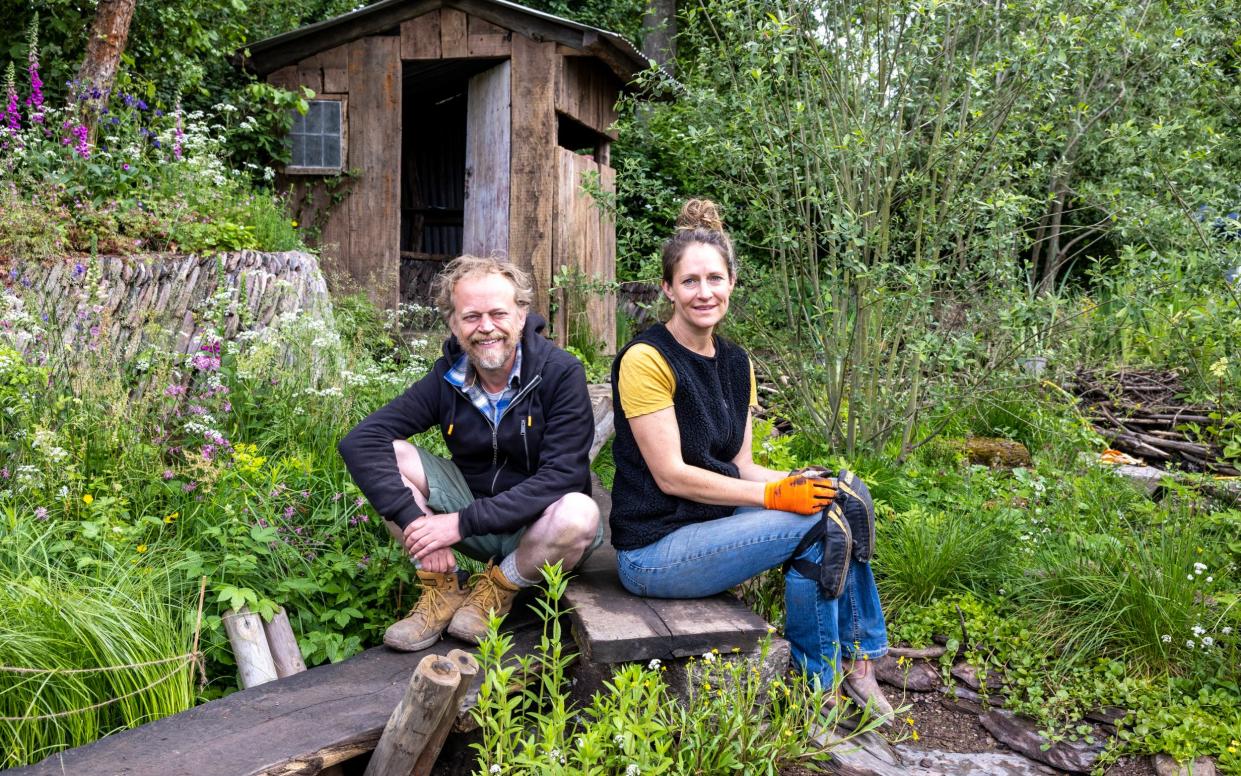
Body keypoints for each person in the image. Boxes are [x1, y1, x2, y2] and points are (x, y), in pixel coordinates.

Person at [609, 199, 893, 719]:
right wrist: (774, 495)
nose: (704, 292)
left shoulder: (737, 362)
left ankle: (861, 665)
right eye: (689, 281)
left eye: (714, 279)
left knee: (846, 496)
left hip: (712, 524)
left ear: (732, 283)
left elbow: (739, 464)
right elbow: (671, 476)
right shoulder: (646, 359)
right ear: (668, 289)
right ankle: (819, 683)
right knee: (818, 526)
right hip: (655, 549)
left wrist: (798, 478)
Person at [339, 255, 602, 651]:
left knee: (580, 512)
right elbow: (360, 441)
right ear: (453, 323)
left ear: (521, 314)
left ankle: (500, 586)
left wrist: (458, 524)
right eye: (471, 316)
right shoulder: (447, 377)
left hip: (537, 530)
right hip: (470, 508)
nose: (486, 327)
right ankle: (442, 586)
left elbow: (562, 476)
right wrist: (422, 528)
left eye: (498, 313)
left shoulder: (559, 373)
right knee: (388, 455)